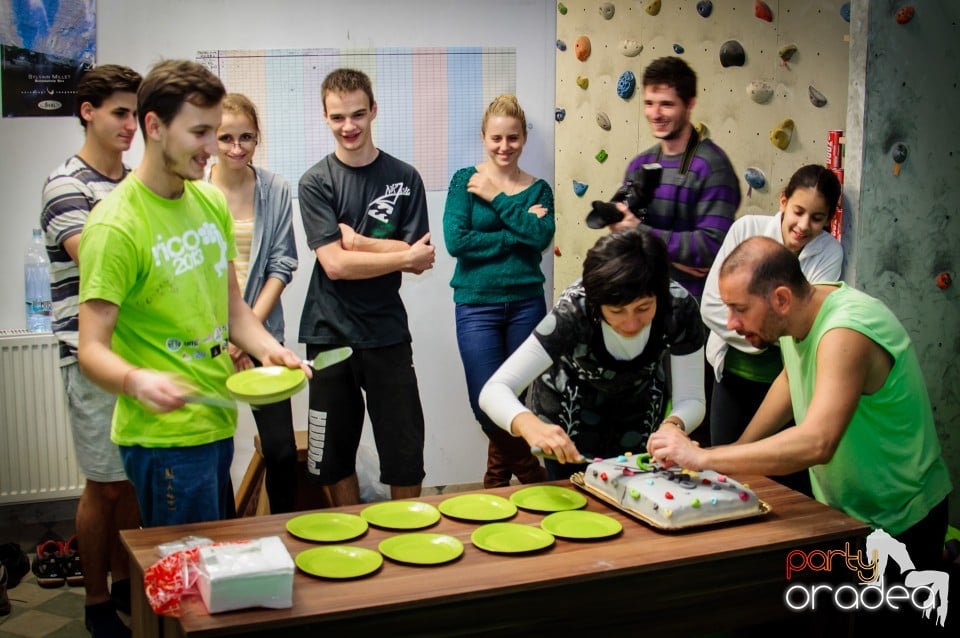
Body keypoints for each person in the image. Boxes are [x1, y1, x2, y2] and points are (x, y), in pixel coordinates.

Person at [77, 59, 308, 529]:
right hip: (164, 439)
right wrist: (137, 380)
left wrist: (270, 350)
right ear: (154, 126)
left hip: (214, 422)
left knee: (212, 572)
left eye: (215, 132)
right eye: (200, 133)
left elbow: (233, 310)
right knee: (186, 584)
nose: (212, 149)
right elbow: (91, 350)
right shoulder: (115, 225)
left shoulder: (208, 202)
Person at [648, 237, 951, 571]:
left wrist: (704, 457)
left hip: (903, 520)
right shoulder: (801, 310)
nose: (731, 323)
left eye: (740, 309)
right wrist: (735, 453)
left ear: (780, 299)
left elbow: (817, 442)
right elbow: (790, 379)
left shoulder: (845, 331)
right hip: (848, 515)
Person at [298, 68, 435, 506]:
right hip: (329, 334)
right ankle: (350, 538)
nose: (349, 126)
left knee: (405, 453)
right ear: (325, 117)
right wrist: (398, 256)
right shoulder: (315, 182)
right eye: (338, 117)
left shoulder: (405, 177)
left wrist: (358, 242)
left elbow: (421, 257)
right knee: (333, 458)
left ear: (373, 110)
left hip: (386, 333)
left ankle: (408, 538)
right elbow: (335, 265)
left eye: (358, 114)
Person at [40, 63, 142, 638]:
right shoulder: (66, 186)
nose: (131, 125)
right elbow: (103, 268)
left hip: (139, 354)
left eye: (135, 114)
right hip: (91, 355)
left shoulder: (134, 185)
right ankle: (97, 601)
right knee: (104, 484)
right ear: (88, 111)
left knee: (129, 479)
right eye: (119, 112)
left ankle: (126, 585)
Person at [479, 229, 706, 480]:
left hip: (640, 428)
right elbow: (494, 390)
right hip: (568, 435)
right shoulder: (574, 310)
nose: (631, 324)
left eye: (643, 308)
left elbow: (693, 399)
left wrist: (673, 425)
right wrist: (529, 424)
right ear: (596, 303)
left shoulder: (679, 307)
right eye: (617, 311)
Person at [701, 165, 842, 495]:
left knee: (781, 488)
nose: (804, 225)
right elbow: (710, 307)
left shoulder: (829, 252)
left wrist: (764, 332)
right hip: (732, 379)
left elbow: (807, 328)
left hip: (787, 387)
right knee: (726, 480)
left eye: (817, 218)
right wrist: (766, 335)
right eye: (798, 211)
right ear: (782, 201)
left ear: (829, 220)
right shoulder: (746, 230)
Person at [443, 94, 554, 488]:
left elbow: (541, 237)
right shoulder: (464, 181)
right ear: (483, 138)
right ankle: (534, 476)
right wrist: (515, 232)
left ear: (524, 138)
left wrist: (497, 199)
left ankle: (495, 483)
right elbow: (456, 242)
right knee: (485, 403)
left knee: (520, 400)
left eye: (513, 138)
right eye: (496, 139)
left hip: (527, 305)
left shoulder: (539, 190)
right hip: (475, 307)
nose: (504, 147)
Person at [208, 93, 299, 514]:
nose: (236, 147)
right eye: (226, 137)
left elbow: (282, 263)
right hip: (208, 340)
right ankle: (226, 542)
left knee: (281, 451)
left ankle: (284, 542)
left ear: (258, 137)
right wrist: (226, 338)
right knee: (213, 455)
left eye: (246, 137)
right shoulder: (194, 191)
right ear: (211, 139)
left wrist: (248, 337)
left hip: (261, 337)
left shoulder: (275, 189)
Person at [610, 56, 741, 301]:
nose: (655, 113)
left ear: (690, 104)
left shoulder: (712, 167)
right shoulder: (640, 164)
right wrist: (675, 259)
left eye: (666, 104)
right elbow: (622, 240)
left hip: (691, 309)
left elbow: (712, 247)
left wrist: (641, 233)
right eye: (649, 103)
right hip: (642, 299)